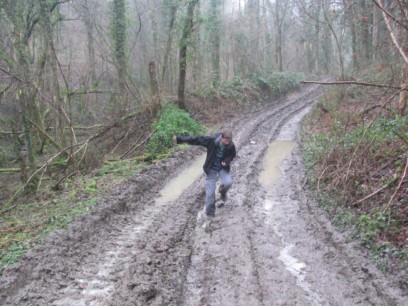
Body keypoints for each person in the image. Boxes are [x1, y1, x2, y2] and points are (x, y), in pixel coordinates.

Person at [173, 129, 236, 217]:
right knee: (210, 192)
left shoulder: (231, 145)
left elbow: (232, 155)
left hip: (222, 168)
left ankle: (222, 192)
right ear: (221, 137)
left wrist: (226, 160)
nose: (226, 143)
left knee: (228, 182)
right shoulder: (211, 140)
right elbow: (196, 139)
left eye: (228, 141)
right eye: (225, 141)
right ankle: (210, 214)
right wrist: (179, 139)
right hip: (211, 168)